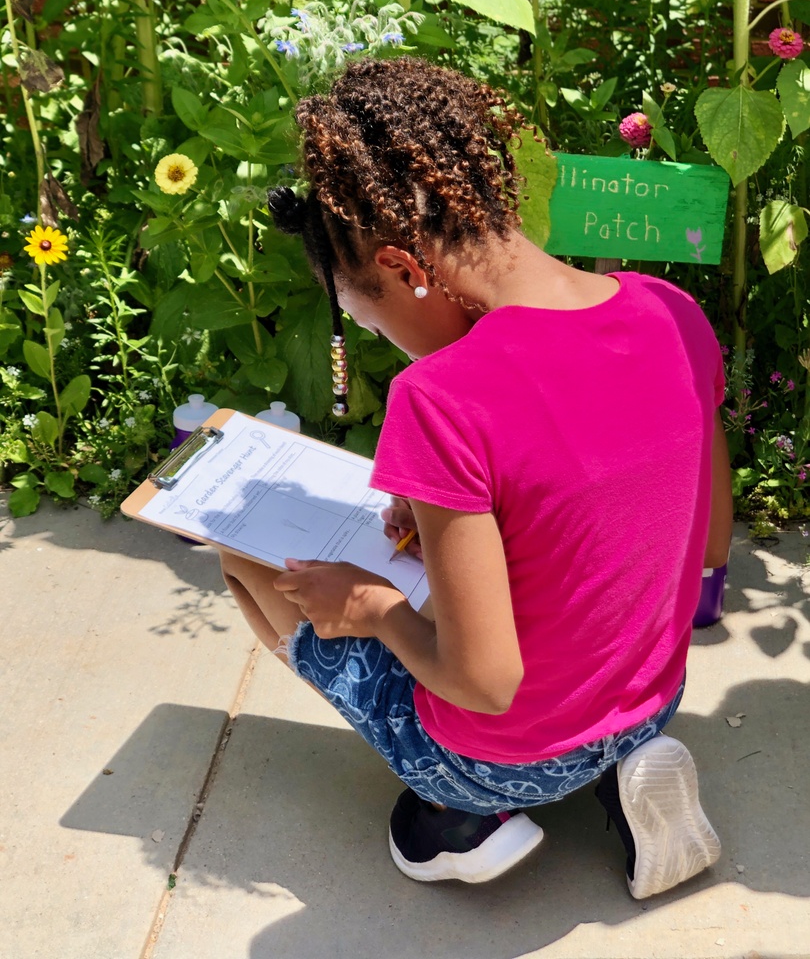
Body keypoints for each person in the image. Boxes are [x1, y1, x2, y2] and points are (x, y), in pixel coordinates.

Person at [220, 57, 731, 898]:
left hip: (505, 757)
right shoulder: (669, 313)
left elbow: (485, 682)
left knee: (244, 562)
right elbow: (706, 543)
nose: (382, 336)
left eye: (365, 312)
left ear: (403, 267)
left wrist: (373, 608)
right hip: (654, 693)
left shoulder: (442, 398)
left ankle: (459, 819)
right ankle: (626, 762)